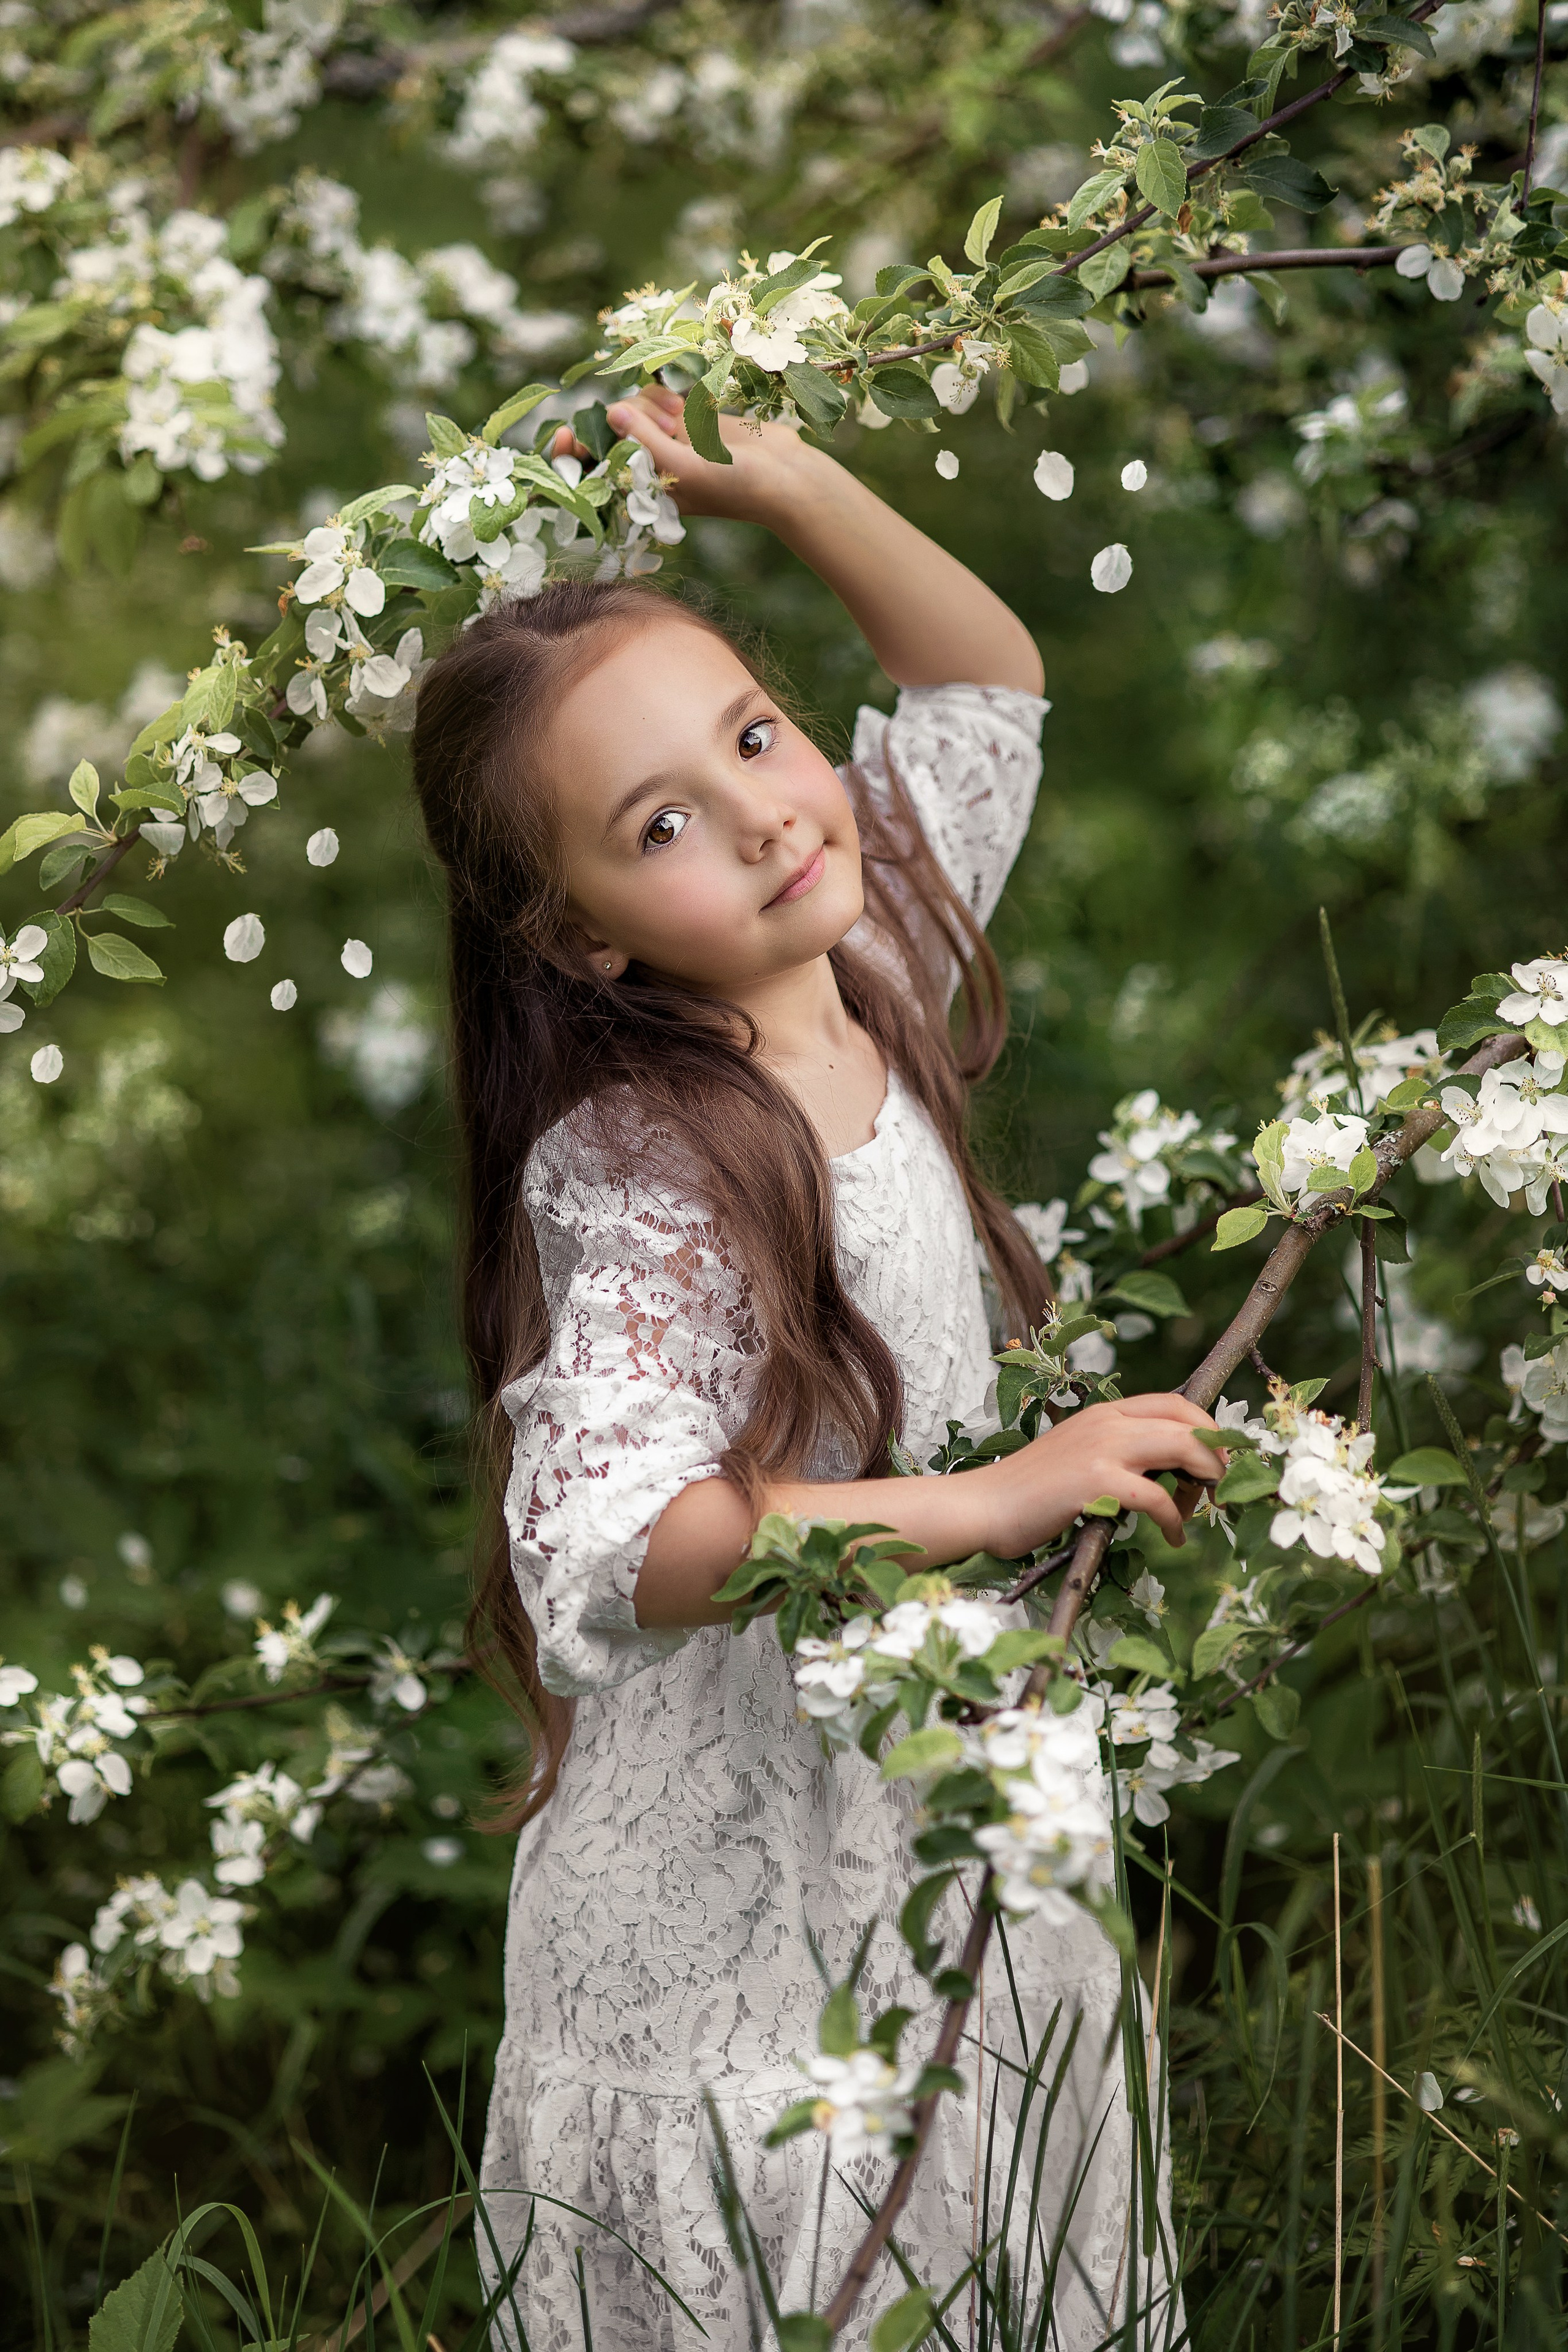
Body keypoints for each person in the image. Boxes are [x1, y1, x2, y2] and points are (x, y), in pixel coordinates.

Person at [409, 383, 1219, 2350]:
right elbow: (627, 1543)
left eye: (755, 736)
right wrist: (994, 1503)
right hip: (741, 1884)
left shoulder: (864, 966)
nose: (769, 810)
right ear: (577, 933)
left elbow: (977, 684)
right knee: (821, 2246)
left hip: (928, 1793)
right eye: (661, 822)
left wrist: (781, 484)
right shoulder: (643, 1160)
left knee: (990, 2183)